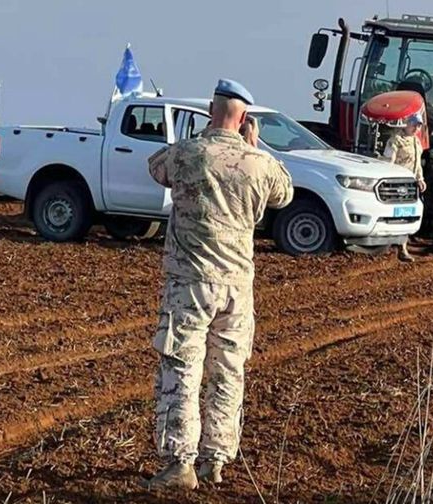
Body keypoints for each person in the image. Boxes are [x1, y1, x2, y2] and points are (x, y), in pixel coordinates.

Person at [143, 79, 294, 490]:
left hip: (189, 283)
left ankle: (179, 463)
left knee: (182, 367)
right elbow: (284, 194)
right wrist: (255, 148)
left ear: (212, 109)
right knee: (228, 372)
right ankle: (217, 459)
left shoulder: (189, 154)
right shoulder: (258, 163)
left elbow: (155, 167)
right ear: (245, 118)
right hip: (237, 289)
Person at [382, 113, 426, 262]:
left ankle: (403, 248)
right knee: (393, 214)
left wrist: (420, 179)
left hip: (411, 184)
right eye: (414, 124)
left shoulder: (417, 142)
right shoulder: (396, 141)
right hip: (398, 183)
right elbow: (389, 162)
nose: (416, 128)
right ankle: (386, 248)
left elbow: (417, 163)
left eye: (419, 125)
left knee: (406, 215)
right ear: (406, 124)